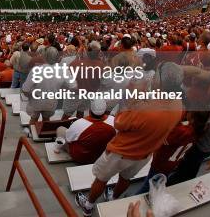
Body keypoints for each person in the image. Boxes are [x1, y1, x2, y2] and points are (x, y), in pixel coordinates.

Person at [76, 62, 184, 216]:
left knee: (101, 179)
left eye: (156, 75)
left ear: (160, 81)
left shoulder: (145, 109)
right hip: (144, 155)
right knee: (125, 178)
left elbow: (119, 122)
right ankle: (113, 197)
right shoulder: (178, 104)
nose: (152, 78)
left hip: (121, 152)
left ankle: (88, 205)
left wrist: (132, 100)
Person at [137, 111, 209, 194]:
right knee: (158, 180)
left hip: (161, 163)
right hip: (172, 163)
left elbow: (164, 140)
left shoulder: (182, 130)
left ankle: (133, 201)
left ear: (192, 118)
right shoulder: (198, 131)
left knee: (147, 186)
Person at [55, 99, 116, 164]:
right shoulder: (114, 120)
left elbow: (68, 139)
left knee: (60, 129)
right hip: (101, 155)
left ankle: (58, 148)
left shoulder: (79, 123)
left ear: (90, 110)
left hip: (81, 157)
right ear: (105, 110)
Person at [21, 47, 71, 124]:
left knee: (34, 119)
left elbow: (25, 89)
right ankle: (43, 133)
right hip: (51, 101)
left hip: (36, 100)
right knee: (46, 119)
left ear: (45, 56)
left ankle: (32, 133)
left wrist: (30, 96)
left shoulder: (36, 70)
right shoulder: (63, 71)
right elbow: (71, 86)